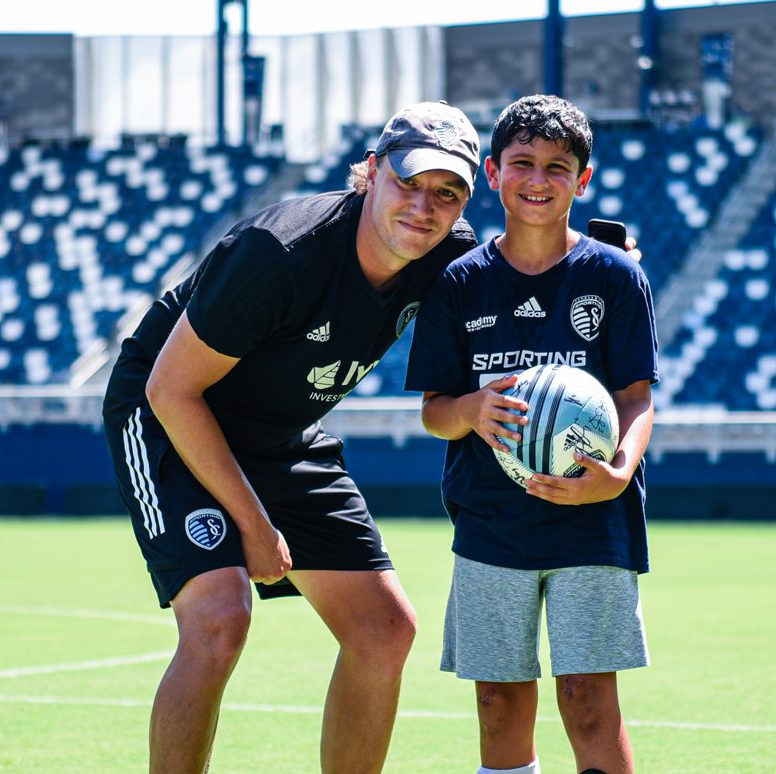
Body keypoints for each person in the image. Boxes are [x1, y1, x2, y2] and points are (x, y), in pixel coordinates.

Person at [102, 102, 483, 773]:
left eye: (447, 192)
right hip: (170, 409)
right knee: (221, 620)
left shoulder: (450, 259)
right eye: (409, 181)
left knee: (384, 631)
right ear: (370, 174)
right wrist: (252, 522)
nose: (424, 206)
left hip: (279, 429)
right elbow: (171, 391)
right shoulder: (281, 253)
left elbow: (526, 284)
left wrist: (601, 264)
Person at [406, 95, 659, 774]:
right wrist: (470, 412)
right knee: (498, 700)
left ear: (583, 179)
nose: (538, 179)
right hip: (491, 521)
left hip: (591, 519)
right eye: (522, 163)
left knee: (587, 699)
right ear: (492, 172)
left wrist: (619, 472)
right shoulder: (460, 283)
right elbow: (434, 409)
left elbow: (637, 401)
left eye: (557, 166)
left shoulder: (616, 278)